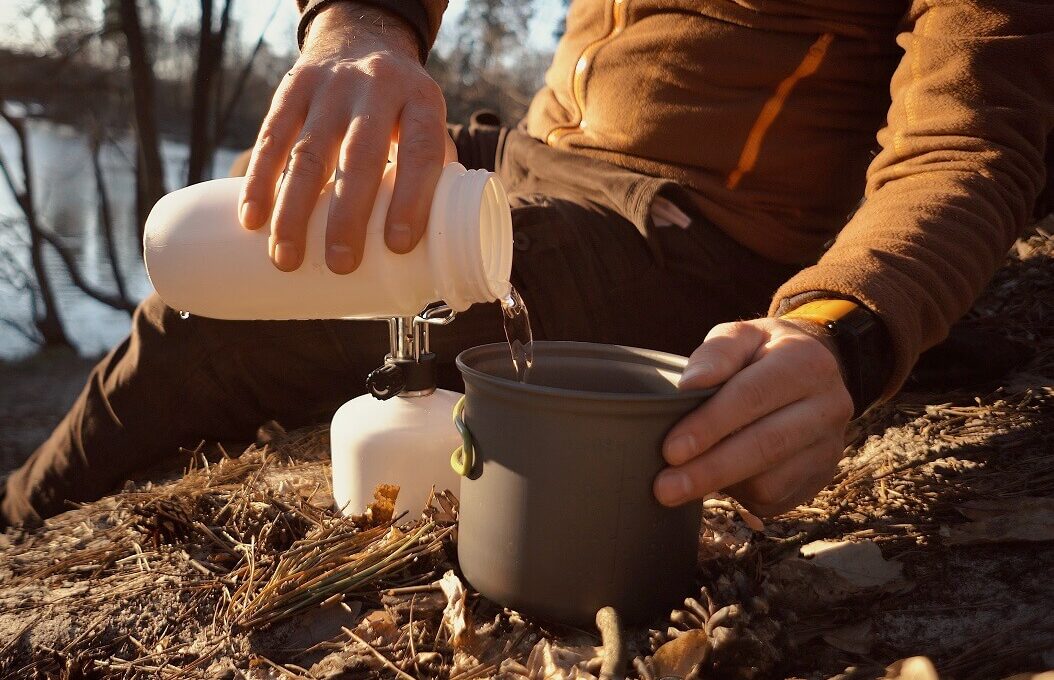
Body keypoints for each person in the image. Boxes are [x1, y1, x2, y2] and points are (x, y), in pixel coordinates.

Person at [2, 0, 1051, 528]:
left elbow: (971, 140)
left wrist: (844, 326)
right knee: (247, 221)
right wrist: (361, 30)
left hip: (680, 233)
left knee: (213, 320)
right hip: (514, 161)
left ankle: (18, 526)